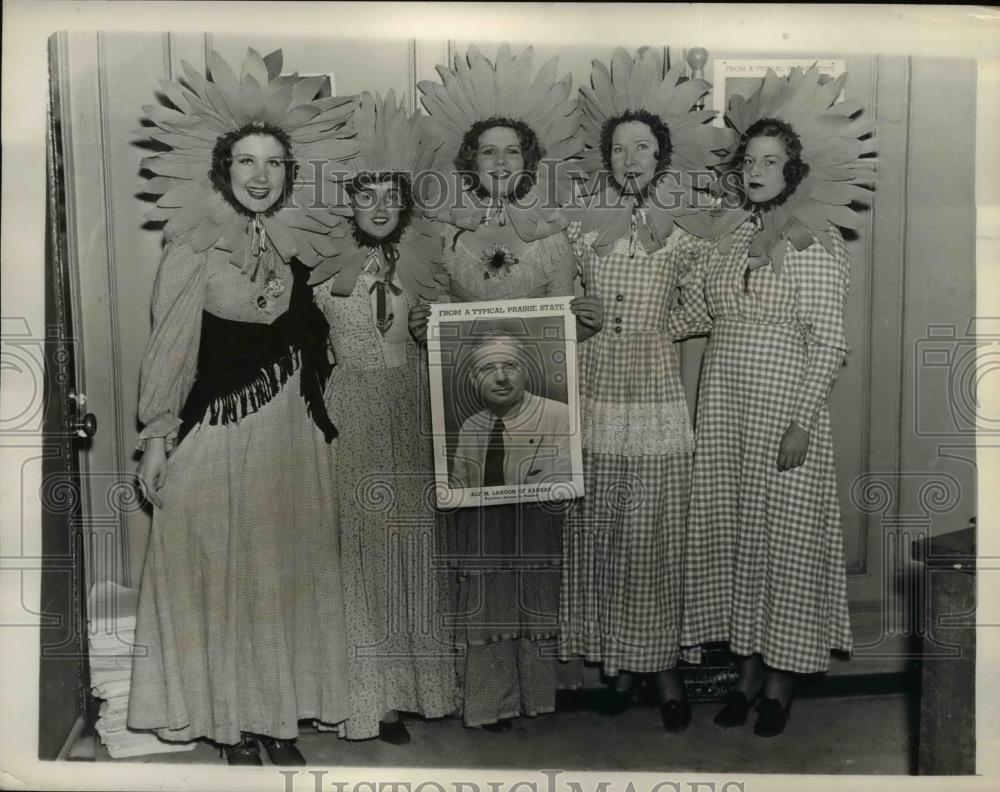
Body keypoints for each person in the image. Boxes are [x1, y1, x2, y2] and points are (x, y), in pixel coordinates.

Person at [129, 49, 357, 766]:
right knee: (221, 579)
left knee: (279, 581)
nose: (260, 177)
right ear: (223, 169)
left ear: (291, 173)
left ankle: (274, 719)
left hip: (289, 439)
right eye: (246, 163)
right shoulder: (192, 244)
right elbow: (170, 346)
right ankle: (229, 723)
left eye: (275, 165)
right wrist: (159, 436)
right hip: (220, 437)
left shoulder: (305, 243)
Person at [677, 66, 875, 737]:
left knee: (784, 546)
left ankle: (781, 687)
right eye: (750, 160)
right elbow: (696, 313)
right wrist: (612, 323)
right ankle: (747, 675)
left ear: (794, 172)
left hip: (782, 414)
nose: (758, 170)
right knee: (737, 542)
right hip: (725, 410)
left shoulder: (812, 245)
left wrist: (801, 421)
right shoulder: (728, 240)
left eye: (772, 161)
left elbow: (828, 343)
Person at [410, 45, 602, 732]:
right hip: (468, 418)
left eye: (511, 153)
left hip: (537, 420)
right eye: (487, 152)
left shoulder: (554, 240)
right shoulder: (446, 235)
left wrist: (584, 321)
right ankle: (486, 699)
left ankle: (538, 693)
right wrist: (419, 321)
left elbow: (560, 334)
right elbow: (427, 311)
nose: (499, 163)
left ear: (528, 163)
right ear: (470, 161)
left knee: (535, 550)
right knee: (483, 558)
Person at [556, 48, 732, 733]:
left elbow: (708, 304)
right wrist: (576, 310)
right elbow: (553, 300)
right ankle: (618, 664)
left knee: (653, 544)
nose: (631, 158)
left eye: (644, 147)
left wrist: (662, 322)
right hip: (595, 400)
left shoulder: (685, 228)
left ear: (663, 156)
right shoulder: (579, 224)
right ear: (606, 157)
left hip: (656, 403)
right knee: (602, 541)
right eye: (620, 148)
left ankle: (659, 668)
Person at [309, 91, 457, 744]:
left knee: (408, 550)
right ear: (348, 200)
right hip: (350, 410)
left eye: (388, 195)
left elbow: (458, 335)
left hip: (409, 409)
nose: (376, 206)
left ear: (405, 201)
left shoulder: (425, 265)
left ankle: (404, 691)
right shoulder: (315, 268)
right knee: (358, 554)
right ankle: (361, 698)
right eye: (363, 194)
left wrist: (434, 327)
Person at [450, 333, 572, 490]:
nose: (501, 377)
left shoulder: (561, 417)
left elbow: (564, 497)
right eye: (488, 369)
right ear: (474, 379)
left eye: (509, 365)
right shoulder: (470, 427)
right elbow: (459, 496)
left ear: (526, 371)